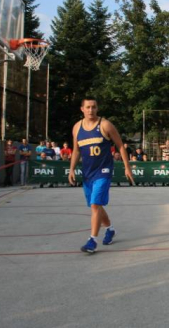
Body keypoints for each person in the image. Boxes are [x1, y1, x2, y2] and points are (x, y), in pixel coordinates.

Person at [69, 97, 134, 254]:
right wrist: (71, 169)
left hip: (103, 171)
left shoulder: (105, 125)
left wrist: (127, 167)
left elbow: (120, 145)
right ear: (82, 109)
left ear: (97, 108)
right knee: (95, 204)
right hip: (87, 173)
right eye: (88, 107)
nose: (91, 110)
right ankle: (110, 229)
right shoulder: (77, 128)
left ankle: (92, 240)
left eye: (94, 107)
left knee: (95, 205)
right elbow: (76, 150)